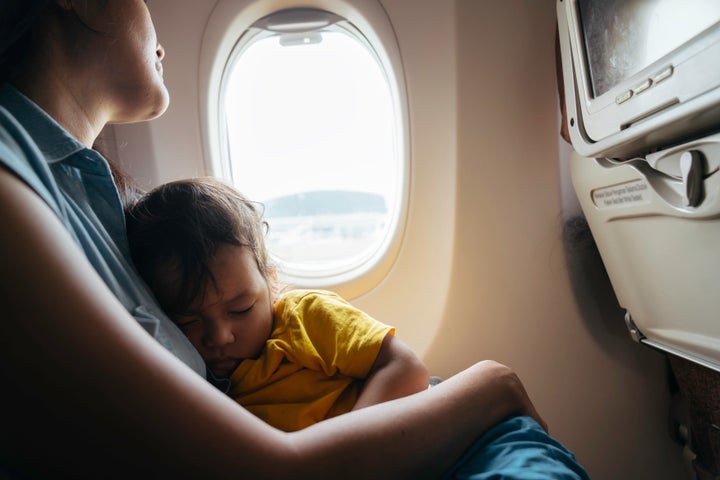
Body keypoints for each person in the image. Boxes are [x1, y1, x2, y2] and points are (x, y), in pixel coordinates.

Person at [0, 1, 588, 478]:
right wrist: (489, 386)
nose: (219, 335)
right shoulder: (14, 186)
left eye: (238, 306)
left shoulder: (82, 196)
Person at [124, 177, 430, 431]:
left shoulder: (306, 317)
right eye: (187, 321)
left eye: (241, 309)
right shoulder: (196, 381)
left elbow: (406, 368)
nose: (219, 337)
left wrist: (354, 447)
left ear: (271, 282)